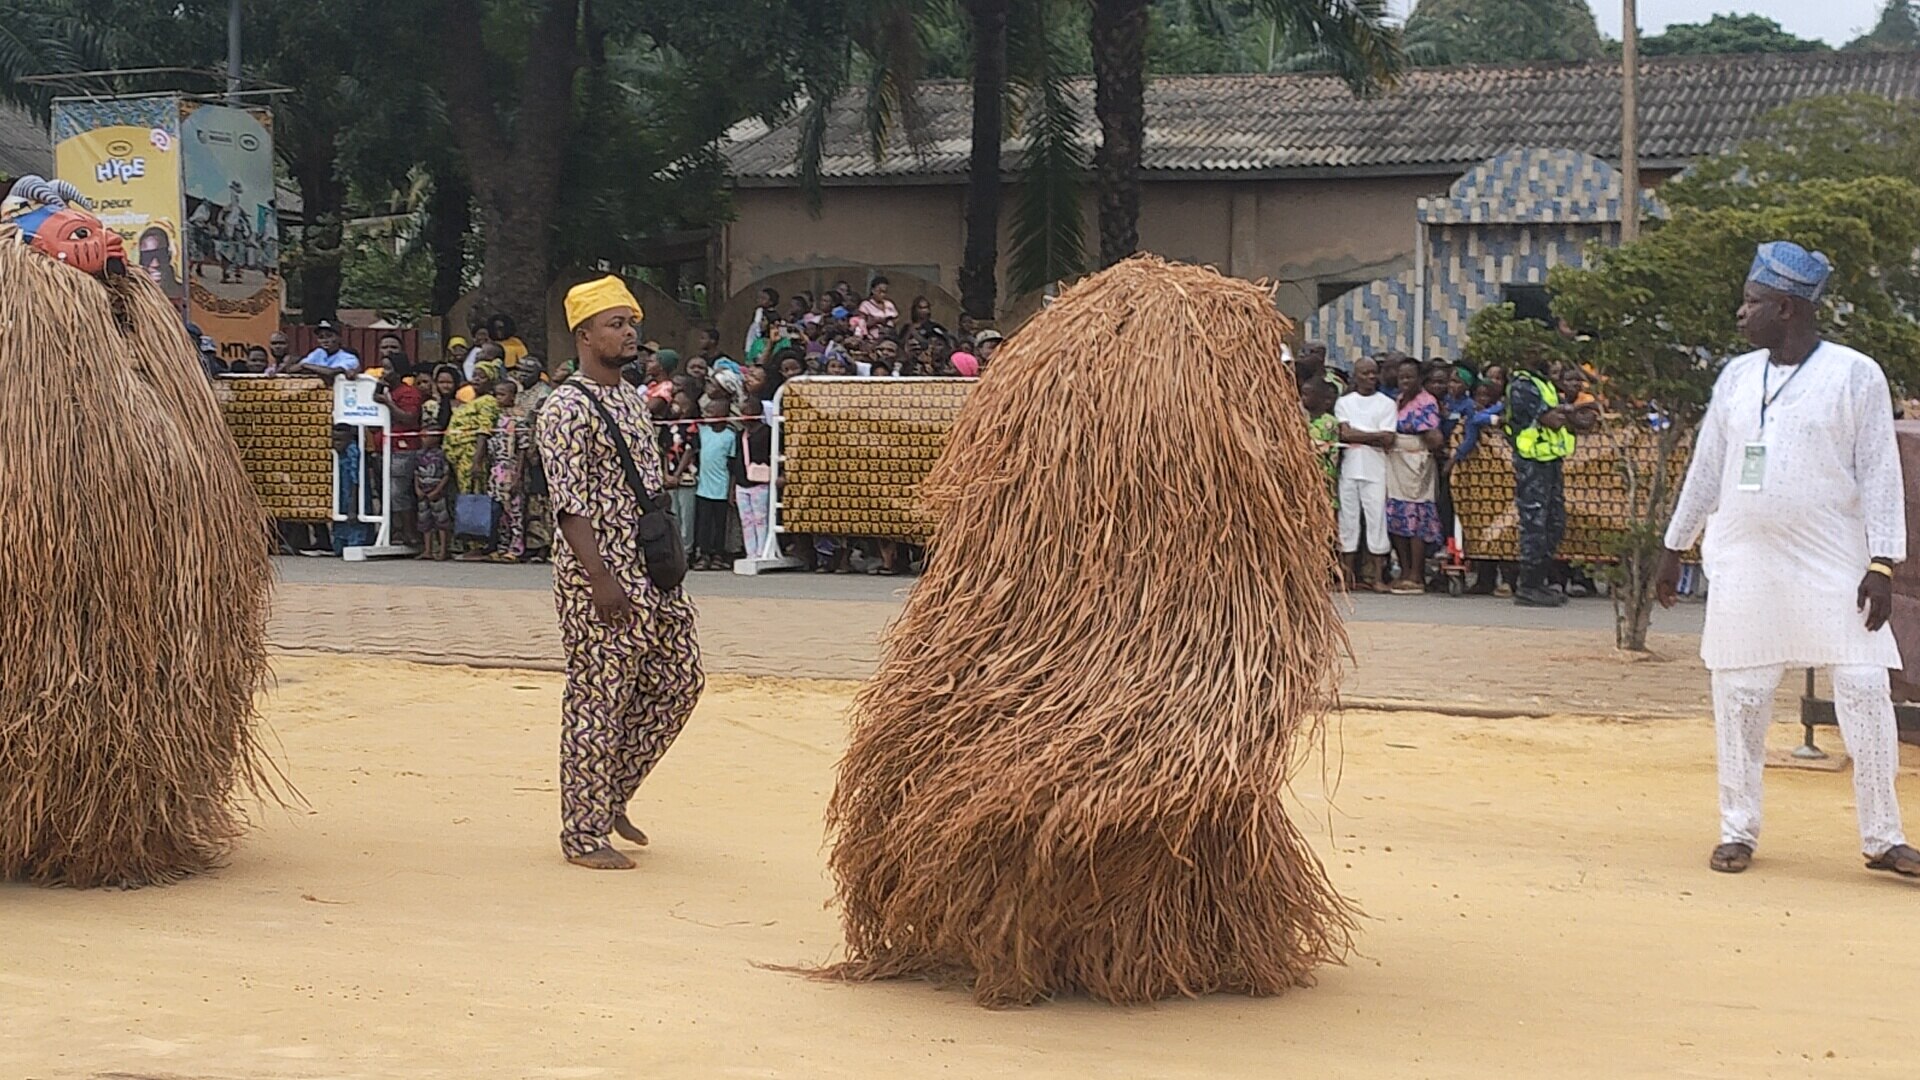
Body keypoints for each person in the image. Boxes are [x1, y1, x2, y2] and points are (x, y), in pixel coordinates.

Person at [1657, 241, 1919, 880]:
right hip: (1746, 559)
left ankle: (1883, 837)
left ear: (1786, 307)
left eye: (1751, 302)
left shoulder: (1855, 374)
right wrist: (1674, 545)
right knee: (1742, 694)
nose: (1740, 314)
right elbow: (1708, 467)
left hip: (1834, 558)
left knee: (1862, 685)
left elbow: (1881, 472)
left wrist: (1882, 562)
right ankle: (1736, 829)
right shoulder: (1737, 377)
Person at [534, 275, 703, 870]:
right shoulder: (565, 408)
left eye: (632, 323)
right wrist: (600, 579)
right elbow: (568, 504)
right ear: (584, 335)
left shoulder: (631, 399)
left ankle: (608, 795)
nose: (629, 333)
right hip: (598, 573)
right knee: (598, 695)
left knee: (681, 680)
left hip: (652, 569)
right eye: (615, 324)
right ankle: (582, 833)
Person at [1504, 352, 1574, 607]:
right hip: (1532, 462)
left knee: (1554, 522)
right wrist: (1571, 412)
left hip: (1550, 460)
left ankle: (1539, 580)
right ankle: (1529, 584)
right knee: (1535, 523)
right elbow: (1552, 420)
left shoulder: (1543, 383)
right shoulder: (1523, 385)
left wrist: (1567, 412)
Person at [1335, 357, 1398, 591]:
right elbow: (1344, 434)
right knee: (1348, 519)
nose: (1370, 377)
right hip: (1351, 468)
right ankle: (1347, 576)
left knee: (1376, 519)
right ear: (1356, 375)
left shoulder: (1386, 404)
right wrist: (1374, 436)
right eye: (1365, 373)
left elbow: (1389, 438)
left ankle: (1378, 577)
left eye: (1373, 373)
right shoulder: (1345, 402)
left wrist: (1357, 435)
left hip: (1376, 468)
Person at [1384, 359, 1445, 593]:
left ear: (1420, 379)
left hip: (1416, 462)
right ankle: (1405, 569)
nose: (1405, 382)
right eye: (1402, 377)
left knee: (1415, 515)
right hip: (1397, 462)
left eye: (1410, 377)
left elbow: (1432, 436)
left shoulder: (1426, 402)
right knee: (1397, 514)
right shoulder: (1398, 401)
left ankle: (1416, 574)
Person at [473, 380, 528, 562]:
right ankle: (502, 546)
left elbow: (522, 449)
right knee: (499, 510)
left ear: (513, 396)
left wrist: (518, 474)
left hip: (510, 467)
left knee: (514, 510)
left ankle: (516, 547)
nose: (498, 398)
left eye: (502, 394)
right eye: (496, 394)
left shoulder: (519, 418)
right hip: (496, 469)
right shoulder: (494, 417)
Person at [374, 364, 424, 546]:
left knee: (398, 492)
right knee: (384, 492)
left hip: (402, 449)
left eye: (388, 368)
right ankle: (394, 531)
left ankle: (409, 533)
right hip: (383, 449)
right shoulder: (384, 391)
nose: (383, 373)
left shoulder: (409, 393)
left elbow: (408, 418)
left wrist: (388, 402)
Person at [690, 398, 738, 569]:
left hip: (721, 488)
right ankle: (703, 554)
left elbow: (732, 466)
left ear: (722, 415)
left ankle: (718, 554)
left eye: (710, 412)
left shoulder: (730, 436)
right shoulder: (702, 432)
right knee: (704, 524)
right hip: (704, 488)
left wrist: (731, 490)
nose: (706, 415)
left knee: (720, 524)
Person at [732, 397, 774, 560]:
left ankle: (762, 552)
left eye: (747, 412)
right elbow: (735, 461)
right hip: (742, 483)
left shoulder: (768, 432)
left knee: (760, 518)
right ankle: (751, 552)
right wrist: (733, 487)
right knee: (746, 519)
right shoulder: (740, 435)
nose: (743, 416)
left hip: (760, 482)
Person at [414, 406, 454, 561]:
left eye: (427, 436)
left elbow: (446, 474)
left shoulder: (441, 454)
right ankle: (427, 550)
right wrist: (417, 488)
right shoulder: (419, 454)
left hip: (436, 492)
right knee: (424, 521)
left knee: (441, 521)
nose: (423, 438)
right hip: (423, 491)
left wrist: (437, 490)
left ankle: (443, 550)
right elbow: (416, 472)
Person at [296, 320, 361, 382]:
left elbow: (331, 372)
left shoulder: (349, 357)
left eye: (329, 336)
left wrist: (305, 366)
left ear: (339, 338)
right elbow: (293, 369)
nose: (325, 340)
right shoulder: (318, 353)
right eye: (321, 337)